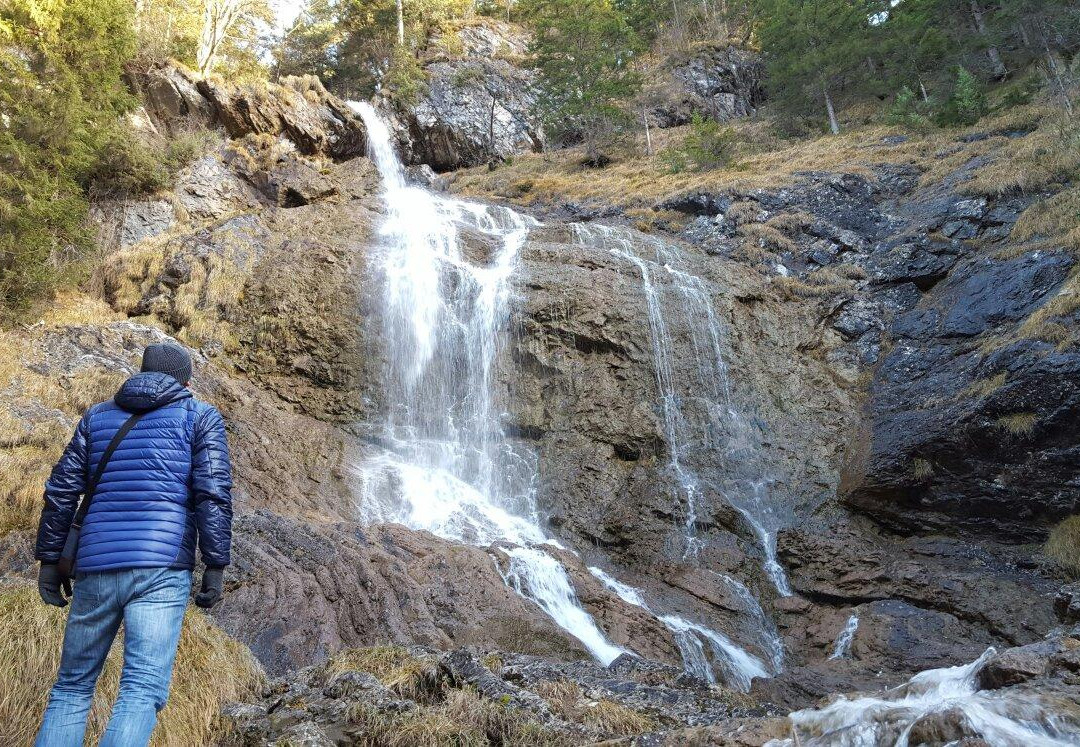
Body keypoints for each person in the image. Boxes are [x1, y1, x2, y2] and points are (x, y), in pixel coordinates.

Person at [33, 342, 233, 747]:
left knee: (71, 687)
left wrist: (50, 561)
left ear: (140, 374)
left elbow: (61, 492)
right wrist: (215, 563)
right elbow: (212, 493)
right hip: (160, 567)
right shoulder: (200, 417)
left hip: (95, 564)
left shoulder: (97, 417)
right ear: (187, 381)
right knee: (141, 688)